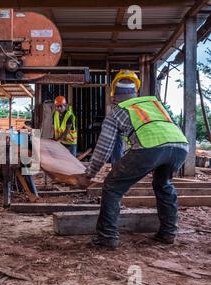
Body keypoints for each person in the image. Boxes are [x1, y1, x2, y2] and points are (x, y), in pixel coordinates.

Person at [75, 70, 189, 250]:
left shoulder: (116, 111)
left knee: (112, 186)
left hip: (149, 148)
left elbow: (104, 148)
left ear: (113, 95)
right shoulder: (153, 103)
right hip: (180, 146)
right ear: (136, 91)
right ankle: (168, 232)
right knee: (163, 184)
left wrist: (89, 175)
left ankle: (107, 237)